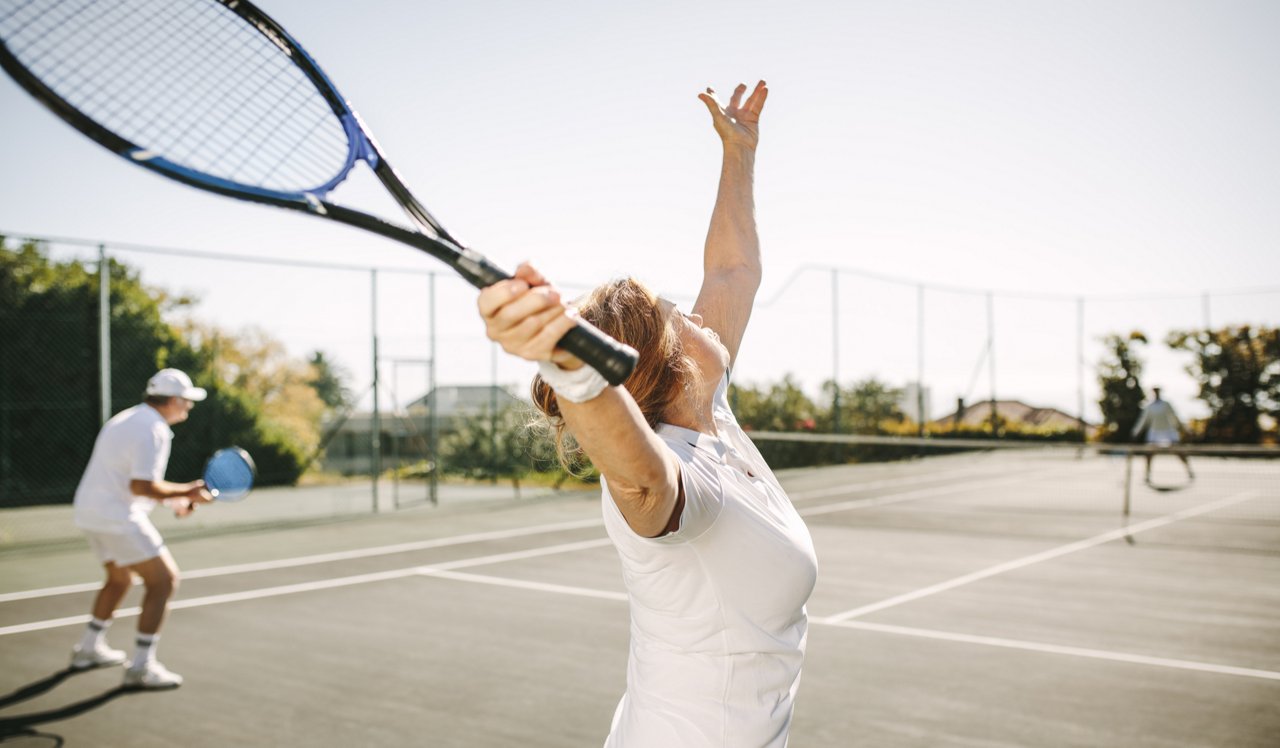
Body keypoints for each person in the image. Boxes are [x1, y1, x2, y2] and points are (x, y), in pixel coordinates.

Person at [479, 80, 818, 747]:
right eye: (678, 317)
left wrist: (739, 154)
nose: (698, 312)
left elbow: (733, 271)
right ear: (670, 367)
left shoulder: (708, 419)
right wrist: (569, 367)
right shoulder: (679, 478)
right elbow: (642, 482)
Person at [69, 368, 213, 689]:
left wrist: (175, 501)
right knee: (164, 581)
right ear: (173, 400)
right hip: (116, 516)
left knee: (120, 578)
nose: (189, 407)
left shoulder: (126, 419)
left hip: (89, 512)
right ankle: (140, 667)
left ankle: (88, 649)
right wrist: (187, 492)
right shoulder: (153, 429)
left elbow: (128, 481)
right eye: (187, 401)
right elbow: (141, 486)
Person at [1131, 386, 1194, 483]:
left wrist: (1186, 429)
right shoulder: (1149, 406)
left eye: (1158, 391)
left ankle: (1189, 471)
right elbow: (1143, 421)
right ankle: (1147, 475)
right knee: (1149, 453)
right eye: (1154, 391)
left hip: (1168, 431)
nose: (1156, 393)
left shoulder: (1166, 404)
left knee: (1179, 452)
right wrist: (1136, 432)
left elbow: (1175, 416)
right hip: (1154, 432)